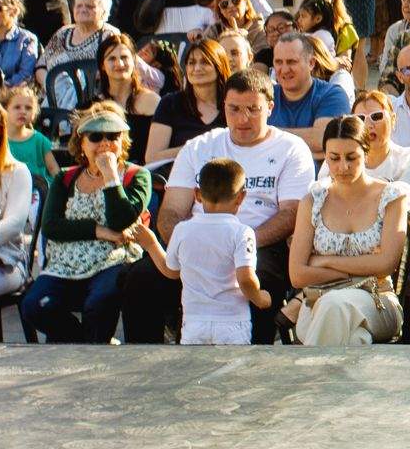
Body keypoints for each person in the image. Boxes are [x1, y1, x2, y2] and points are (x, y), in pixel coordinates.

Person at [127, 69, 313, 344]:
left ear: (270, 108)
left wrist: (232, 246)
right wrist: (193, 246)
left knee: (257, 280)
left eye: (253, 109)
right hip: (196, 241)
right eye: (234, 109)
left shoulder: (291, 149)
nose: (242, 119)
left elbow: (290, 213)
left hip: (259, 244)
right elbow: (172, 211)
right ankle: (144, 363)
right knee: (140, 279)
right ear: (223, 106)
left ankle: (253, 363)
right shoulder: (200, 146)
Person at [15, 108, 151, 342]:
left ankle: (92, 348)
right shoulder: (65, 178)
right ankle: (84, 343)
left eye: (113, 136)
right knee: (34, 305)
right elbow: (51, 226)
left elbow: (122, 219)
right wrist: (100, 231)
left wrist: (110, 175)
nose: (105, 143)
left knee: (99, 302)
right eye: (96, 137)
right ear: (82, 143)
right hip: (66, 262)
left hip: (114, 259)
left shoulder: (136, 176)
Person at [124, 157, 270, 345]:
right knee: (232, 372)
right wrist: (260, 298)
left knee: (193, 371)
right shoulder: (242, 232)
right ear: (241, 196)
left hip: (194, 322)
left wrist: (151, 243)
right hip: (232, 323)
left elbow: (171, 271)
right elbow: (245, 279)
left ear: (198, 194)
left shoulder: (183, 230)